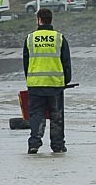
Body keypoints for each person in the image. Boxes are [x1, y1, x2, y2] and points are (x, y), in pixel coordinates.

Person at [23, 8, 72, 154]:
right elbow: (66, 63)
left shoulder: (30, 38)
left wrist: (30, 79)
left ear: (38, 19)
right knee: (56, 116)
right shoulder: (59, 38)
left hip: (35, 85)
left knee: (36, 115)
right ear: (51, 19)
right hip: (55, 84)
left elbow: (25, 63)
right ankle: (58, 145)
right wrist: (65, 80)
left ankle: (34, 144)